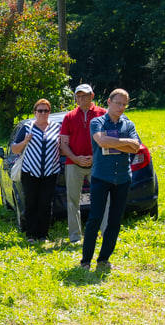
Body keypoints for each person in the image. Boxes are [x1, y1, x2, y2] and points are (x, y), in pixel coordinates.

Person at [80, 89, 141, 271]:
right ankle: (85, 261)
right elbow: (101, 142)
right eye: (118, 103)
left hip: (122, 178)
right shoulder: (97, 122)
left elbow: (136, 147)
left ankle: (103, 259)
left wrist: (115, 140)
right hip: (101, 177)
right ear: (109, 101)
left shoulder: (128, 124)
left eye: (124, 104)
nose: (121, 107)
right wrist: (125, 142)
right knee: (95, 219)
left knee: (115, 221)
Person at [60, 84, 107, 242]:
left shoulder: (103, 114)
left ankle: (105, 233)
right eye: (78, 96)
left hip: (98, 163)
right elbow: (63, 143)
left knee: (102, 199)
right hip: (73, 163)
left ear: (92, 96)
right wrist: (75, 158)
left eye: (84, 96)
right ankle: (75, 237)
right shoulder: (69, 116)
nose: (80, 99)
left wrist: (95, 157)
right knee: (72, 200)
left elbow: (108, 141)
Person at [11, 99, 62, 242]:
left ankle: (43, 234)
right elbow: (15, 149)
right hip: (30, 171)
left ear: (49, 112)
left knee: (45, 203)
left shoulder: (56, 127)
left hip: (50, 171)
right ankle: (31, 234)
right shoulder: (27, 127)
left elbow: (62, 146)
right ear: (35, 112)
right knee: (31, 203)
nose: (43, 113)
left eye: (46, 111)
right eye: (40, 110)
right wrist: (25, 141)